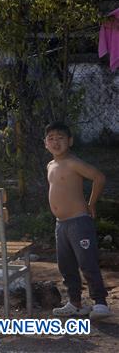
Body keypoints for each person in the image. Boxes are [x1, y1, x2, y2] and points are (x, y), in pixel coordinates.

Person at [45, 122, 112, 320]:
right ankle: (75, 303)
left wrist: (91, 204)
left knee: (87, 262)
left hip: (78, 222)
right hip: (61, 224)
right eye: (51, 138)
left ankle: (100, 302)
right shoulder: (50, 165)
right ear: (45, 143)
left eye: (60, 138)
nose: (56, 142)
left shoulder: (73, 162)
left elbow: (99, 177)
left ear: (70, 141)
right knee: (66, 266)